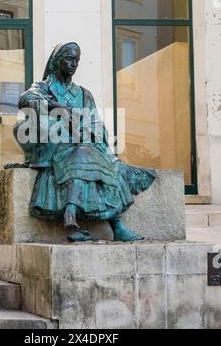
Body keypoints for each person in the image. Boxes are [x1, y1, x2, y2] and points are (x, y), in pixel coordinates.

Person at [13, 42, 156, 242]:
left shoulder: (83, 94)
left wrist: (86, 132)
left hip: (84, 144)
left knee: (101, 161)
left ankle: (85, 219)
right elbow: (25, 99)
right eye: (69, 59)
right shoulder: (44, 87)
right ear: (57, 60)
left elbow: (96, 122)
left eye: (77, 60)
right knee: (83, 155)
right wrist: (55, 106)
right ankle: (109, 225)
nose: (74, 64)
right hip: (57, 148)